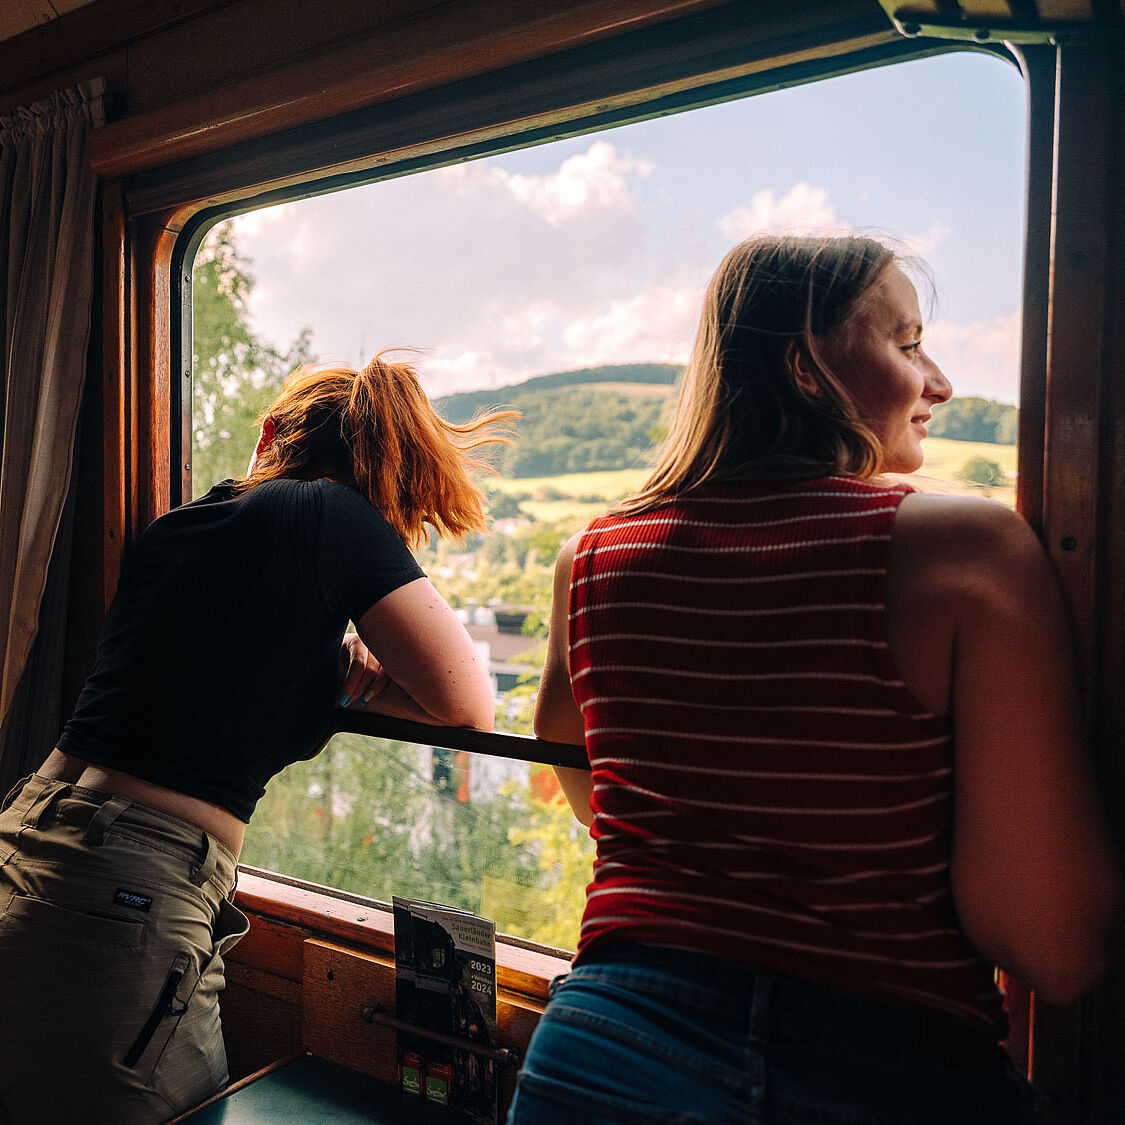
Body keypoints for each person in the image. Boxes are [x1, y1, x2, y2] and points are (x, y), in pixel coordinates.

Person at [508, 236, 1120, 1125]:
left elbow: (588, 793)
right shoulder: (969, 555)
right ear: (804, 368)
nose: (939, 381)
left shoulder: (593, 556)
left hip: (597, 1055)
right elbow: (1054, 947)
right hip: (878, 1074)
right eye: (907, 344)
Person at [0, 354, 509, 1124]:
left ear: (270, 434)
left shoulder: (180, 528)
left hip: (33, 834)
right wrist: (354, 665)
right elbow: (468, 703)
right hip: (127, 888)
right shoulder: (336, 517)